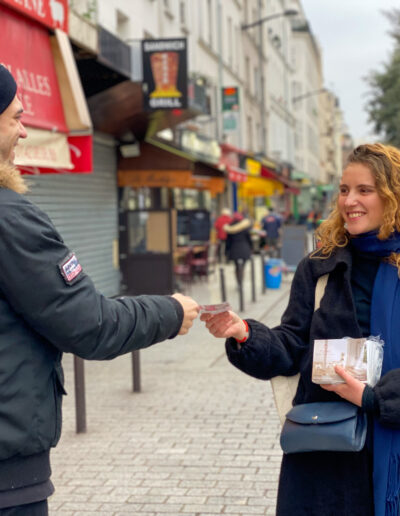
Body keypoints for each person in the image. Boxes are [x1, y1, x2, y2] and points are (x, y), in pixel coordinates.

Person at [0, 64, 199, 515]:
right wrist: (170, 311)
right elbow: (89, 325)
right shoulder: (10, 219)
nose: (24, 131)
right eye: (15, 117)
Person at [201, 143, 400, 516]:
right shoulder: (322, 265)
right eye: (344, 190)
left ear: (392, 196)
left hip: (389, 448)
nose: (349, 201)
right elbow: (291, 345)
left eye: (364, 190)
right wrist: (245, 332)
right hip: (327, 454)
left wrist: (373, 399)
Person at [224, 211, 252, 286]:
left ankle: (238, 282)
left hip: (234, 249)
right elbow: (249, 239)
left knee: (236, 267)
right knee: (243, 266)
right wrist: (250, 248)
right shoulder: (245, 227)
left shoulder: (230, 228)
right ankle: (241, 280)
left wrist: (226, 252)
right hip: (244, 249)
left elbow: (228, 242)